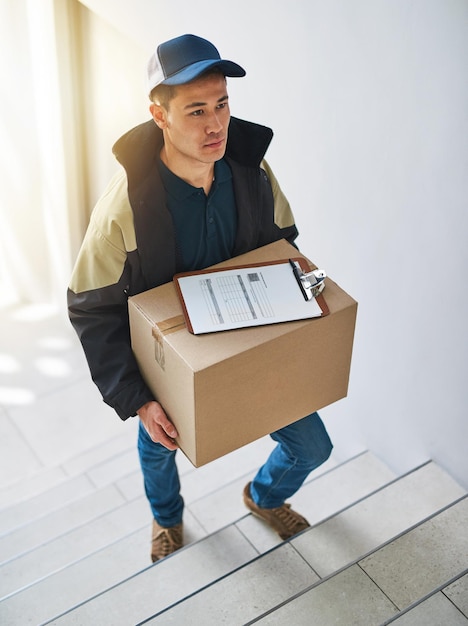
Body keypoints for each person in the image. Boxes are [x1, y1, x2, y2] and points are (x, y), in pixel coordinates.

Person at [68, 34, 333, 562]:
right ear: (159, 115)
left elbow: (286, 247)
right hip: (168, 362)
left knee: (314, 446)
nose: (215, 125)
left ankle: (263, 496)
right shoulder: (124, 207)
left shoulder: (253, 173)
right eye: (195, 111)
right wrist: (137, 399)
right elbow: (90, 306)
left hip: (247, 342)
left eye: (222, 105)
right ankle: (166, 518)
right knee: (159, 446)